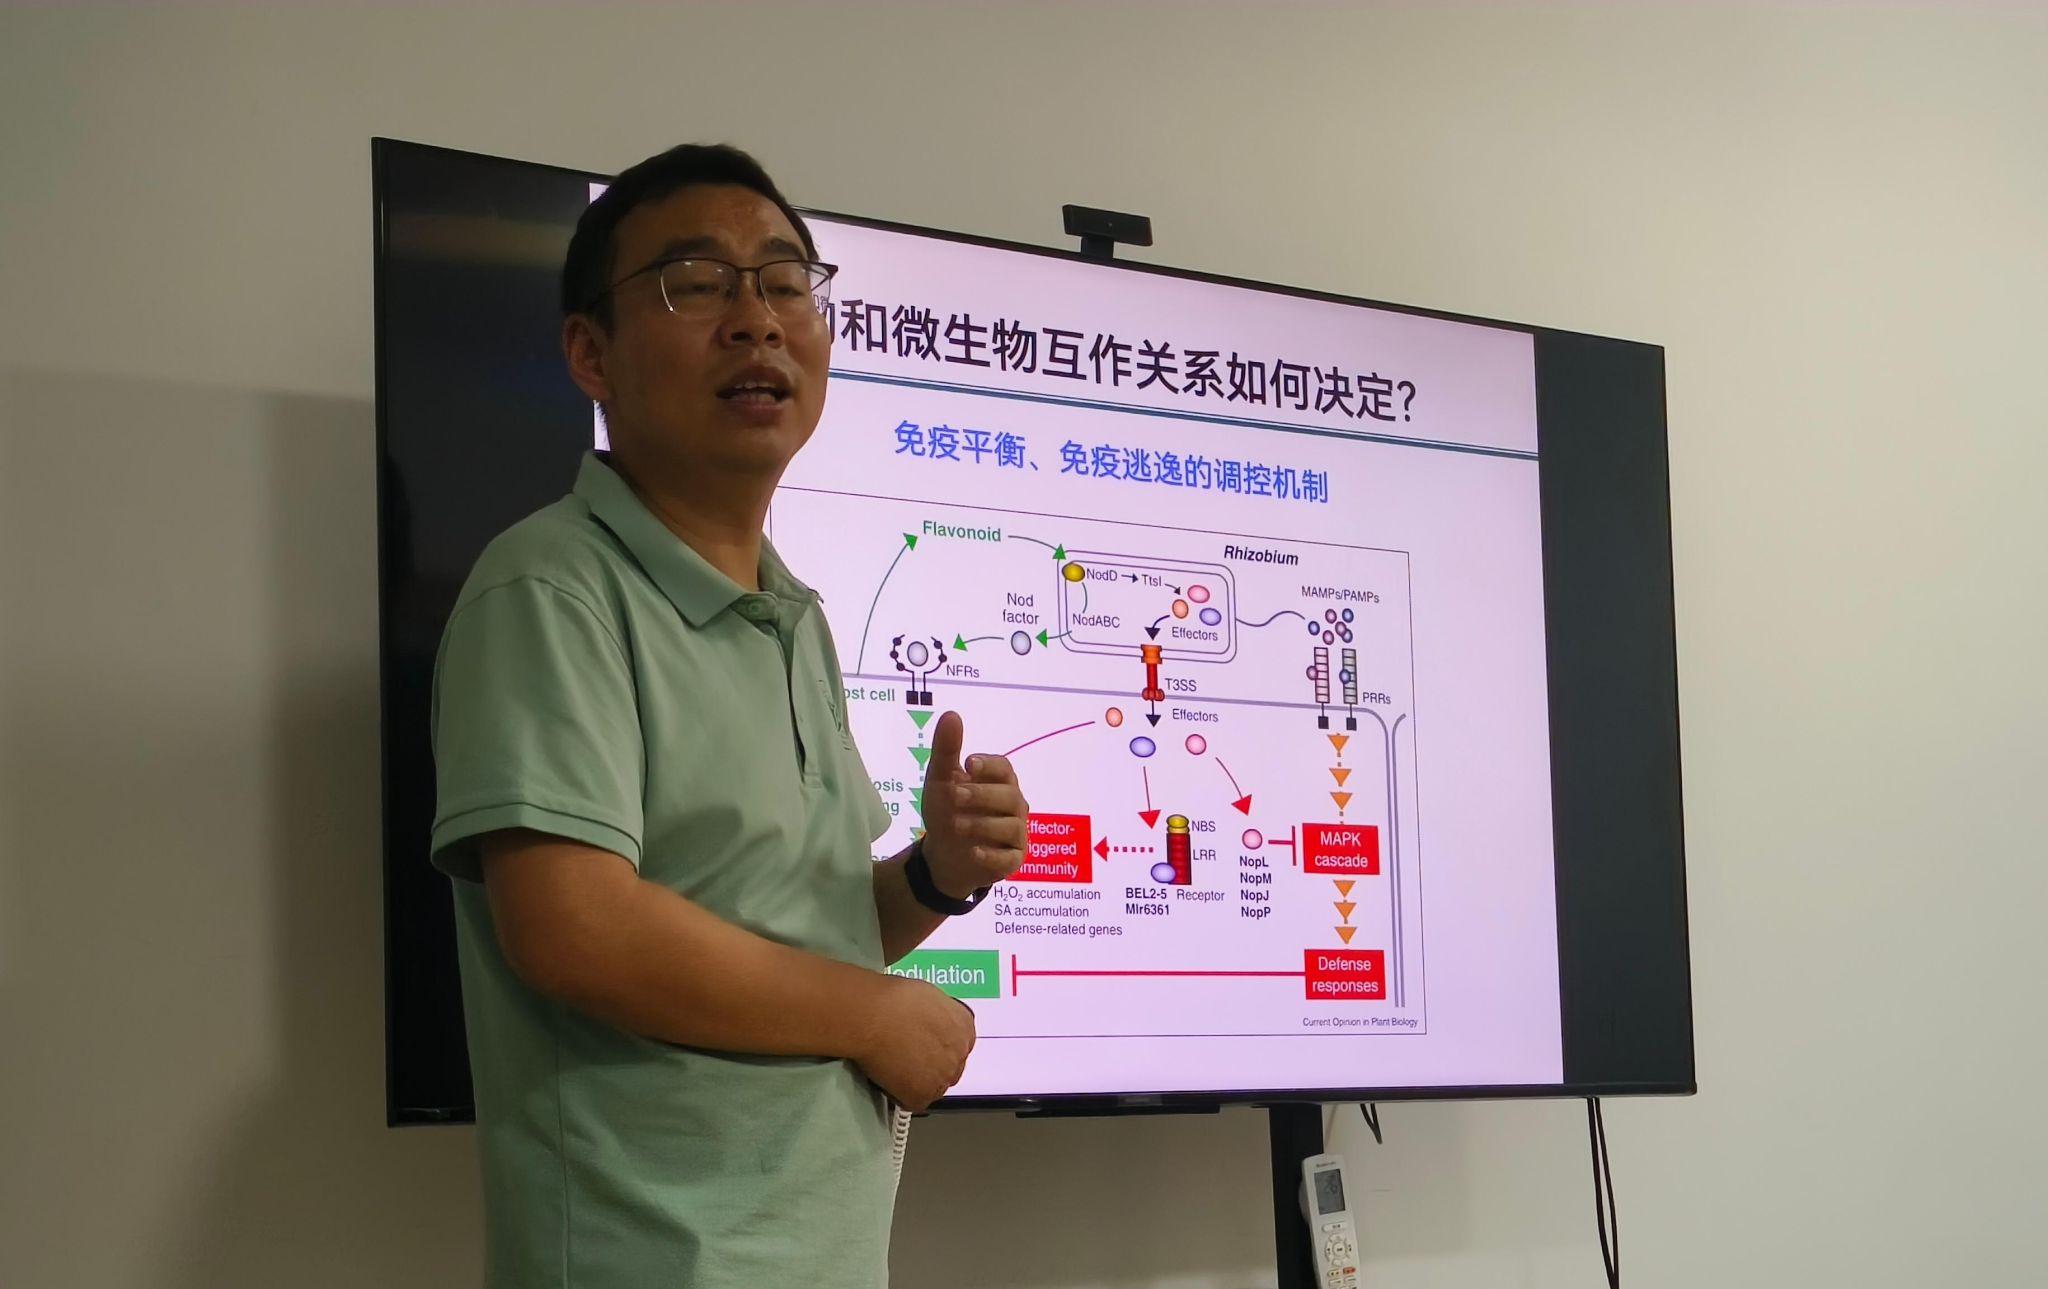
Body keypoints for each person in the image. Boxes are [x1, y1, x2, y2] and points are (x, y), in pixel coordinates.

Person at [429, 143, 1030, 1289]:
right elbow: (571, 926)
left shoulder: (793, 612)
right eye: (696, 282)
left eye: (785, 282)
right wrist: (873, 1016)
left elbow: (795, 929)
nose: (756, 319)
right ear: (589, 353)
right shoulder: (551, 586)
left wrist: (934, 876)